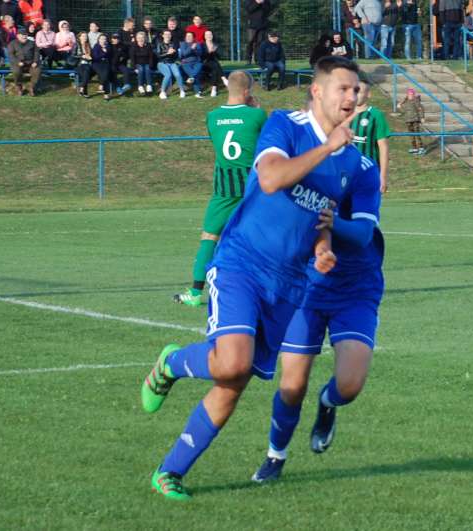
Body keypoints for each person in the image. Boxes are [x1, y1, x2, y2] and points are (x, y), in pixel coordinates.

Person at [140, 57, 372, 500]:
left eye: (356, 90)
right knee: (231, 362)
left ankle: (169, 472)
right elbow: (269, 179)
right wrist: (326, 148)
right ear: (317, 92)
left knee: (233, 382)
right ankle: (169, 365)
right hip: (241, 262)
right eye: (343, 88)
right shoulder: (285, 125)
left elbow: (320, 218)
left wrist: (323, 247)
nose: (351, 97)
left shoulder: (351, 161)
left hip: (288, 285)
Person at [250, 90, 385, 485]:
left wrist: (331, 223)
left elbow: (361, 235)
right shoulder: (298, 158)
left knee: (350, 384)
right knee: (291, 386)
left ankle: (328, 404)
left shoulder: (362, 167)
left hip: (354, 286)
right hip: (306, 284)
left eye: (352, 98)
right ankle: (275, 456)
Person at [173, 71, 266, 307]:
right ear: (247, 92)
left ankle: (195, 294)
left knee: (209, 238)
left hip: (224, 188)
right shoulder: (257, 116)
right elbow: (267, 142)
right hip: (253, 188)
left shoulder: (212, 116)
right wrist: (257, 108)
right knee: (261, 238)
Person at [351, 79, 389, 192]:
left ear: (368, 94)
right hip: (345, 171)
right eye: (354, 91)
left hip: (369, 172)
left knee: (365, 208)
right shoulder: (343, 113)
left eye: (359, 91)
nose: (355, 95)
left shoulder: (376, 115)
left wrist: (383, 176)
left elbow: (384, 148)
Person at [6, 26, 38, 94]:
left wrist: (35, 61)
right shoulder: (12, 43)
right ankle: (18, 86)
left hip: (31, 63)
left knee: (37, 71)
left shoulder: (32, 43)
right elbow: (11, 55)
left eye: (25, 35)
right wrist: (17, 62)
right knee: (16, 71)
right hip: (18, 63)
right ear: (17, 36)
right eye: (22, 35)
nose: (24, 36)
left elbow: (36, 53)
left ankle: (32, 87)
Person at [155, 28, 185, 99]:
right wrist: (167, 53)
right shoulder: (160, 44)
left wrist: (174, 52)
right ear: (163, 36)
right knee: (168, 75)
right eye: (166, 34)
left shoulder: (173, 44)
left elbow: (176, 56)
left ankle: (182, 91)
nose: (167, 36)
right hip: (162, 63)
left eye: (169, 34)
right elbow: (158, 56)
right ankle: (162, 92)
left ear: (171, 36)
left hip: (172, 62)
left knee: (177, 74)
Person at [84, 32, 111, 100]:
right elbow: (95, 57)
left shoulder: (108, 46)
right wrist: (104, 53)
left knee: (106, 72)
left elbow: (109, 56)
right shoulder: (96, 46)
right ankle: (105, 92)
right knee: (104, 73)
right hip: (96, 63)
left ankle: (102, 87)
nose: (103, 40)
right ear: (99, 40)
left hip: (105, 63)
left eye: (104, 39)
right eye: (101, 39)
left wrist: (103, 54)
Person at [397, 88, 425, 154]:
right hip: (408, 120)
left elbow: (420, 109)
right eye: (409, 94)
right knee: (411, 134)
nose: (411, 95)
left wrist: (422, 117)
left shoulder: (416, 101)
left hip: (415, 119)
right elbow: (403, 112)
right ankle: (414, 147)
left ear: (414, 95)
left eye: (412, 94)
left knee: (417, 133)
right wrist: (400, 107)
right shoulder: (405, 102)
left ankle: (421, 147)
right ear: (407, 95)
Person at [179, 31, 204, 98]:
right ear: (185, 37)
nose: (189, 37)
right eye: (187, 36)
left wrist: (195, 49)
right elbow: (184, 54)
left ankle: (191, 78)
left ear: (193, 38)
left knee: (196, 71)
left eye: (190, 36)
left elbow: (200, 54)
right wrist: (191, 48)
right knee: (195, 75)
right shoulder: (182, 44)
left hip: (197, 62)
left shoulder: (197, 44)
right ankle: (197, 92)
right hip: (186, 63)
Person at [202, 29, 227, 97]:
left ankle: (214, 89)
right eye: (207, 35)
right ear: (204, 36)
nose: (209, 36)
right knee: (215, 64)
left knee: (215, 68)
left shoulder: (215, 44)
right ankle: (224, 78)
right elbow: (202, 56)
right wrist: (209, 52)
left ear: (212, 36)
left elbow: (220, 56)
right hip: (205, 64)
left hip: (214, 64)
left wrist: (215, 51)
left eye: (210, 34)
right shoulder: (202, 45)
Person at [130, 30, 153, 94]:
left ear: (145, 38)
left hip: (147, 63)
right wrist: (134, 68)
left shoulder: (148, 45)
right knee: (141, 70)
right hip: (138, 64)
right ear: (136, 39)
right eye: (139, 38)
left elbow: (151, 57)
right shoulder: (133, 46)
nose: (140, 39)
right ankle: (140, 86)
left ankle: (149, 86)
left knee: (148, 69)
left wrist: (151, 65)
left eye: (142, 37)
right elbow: (132, 58)